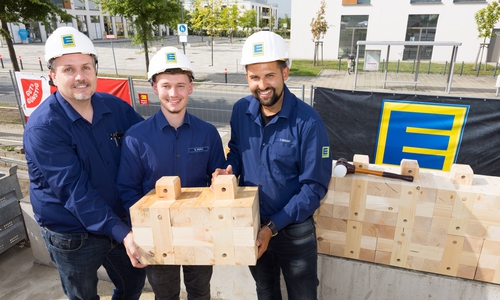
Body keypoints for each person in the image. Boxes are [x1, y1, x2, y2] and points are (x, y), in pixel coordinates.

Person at [23, 26, 146, 300]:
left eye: (86, 67)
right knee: (83, 296)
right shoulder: (44, 128)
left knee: (132, 284)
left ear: (95, 70)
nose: (80, 77)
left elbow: (149, 144)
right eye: (68, 69)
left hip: (119, 222)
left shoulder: (114, 107)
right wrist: (124, 233)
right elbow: (75, 192)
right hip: (72, 235)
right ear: (52, 75)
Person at [212, 31, 332, 300]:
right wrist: (230, 169)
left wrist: (272, 228)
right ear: (247, 78)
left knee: (302, 295)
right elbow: (238, 152)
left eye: (270, 75)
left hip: (294, 231)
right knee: (265, 292)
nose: (262, 85)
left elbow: (314, 187)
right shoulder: (240, 111)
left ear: (285, 73)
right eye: (255, 77)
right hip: (253, 223)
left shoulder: (308, 122)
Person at [117, 46, 226, 300]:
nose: (173, 93)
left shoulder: (208, 133)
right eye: (166, 86)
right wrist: (144, 230)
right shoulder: (136, 137)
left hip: (200, 231)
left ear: (190, 87)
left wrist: (221, 180)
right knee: (165, 296)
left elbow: (217, 180)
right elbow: (128, 190)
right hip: (156, 234)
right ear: (155, 88)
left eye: (180, 85)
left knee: (200, 293)